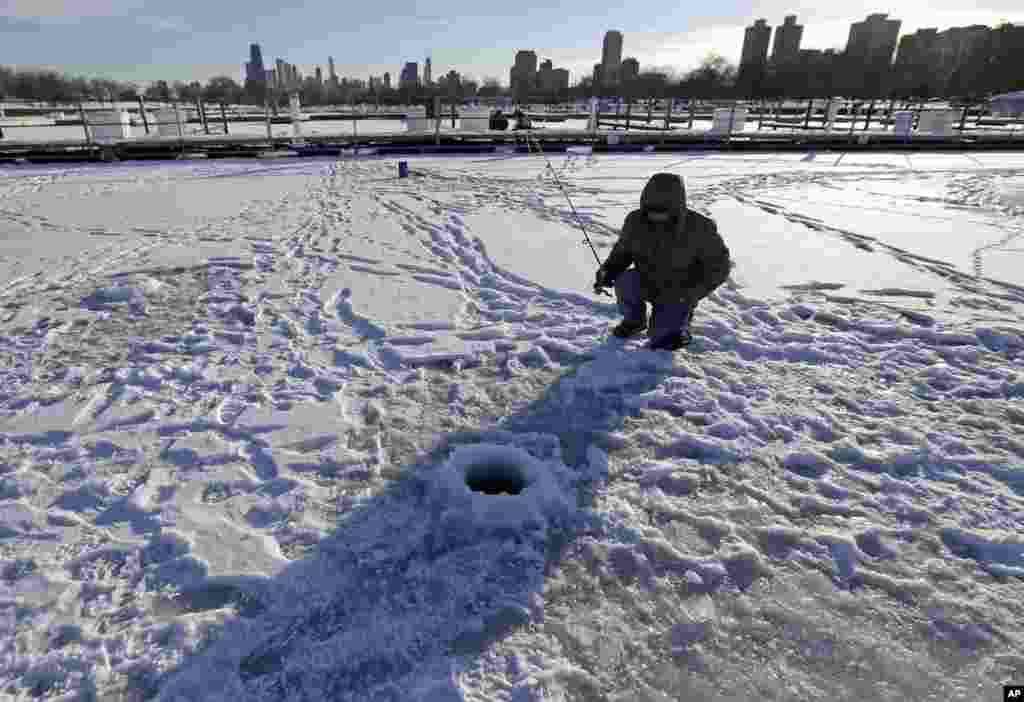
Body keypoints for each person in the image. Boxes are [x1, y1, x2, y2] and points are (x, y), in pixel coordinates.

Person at [594, 172, 731, 351]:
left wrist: (692, 293)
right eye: (651, 210)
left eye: (662, 211)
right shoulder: (635, 221)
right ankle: (634, 321)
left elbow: (720, 267)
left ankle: (678, 327)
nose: (655, 215)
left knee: (661, 341)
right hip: (647, 278)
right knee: (625, 280)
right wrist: (607, 271)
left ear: (676, 206)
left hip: (678, 290)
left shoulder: (700, 227)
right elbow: (622, 252)